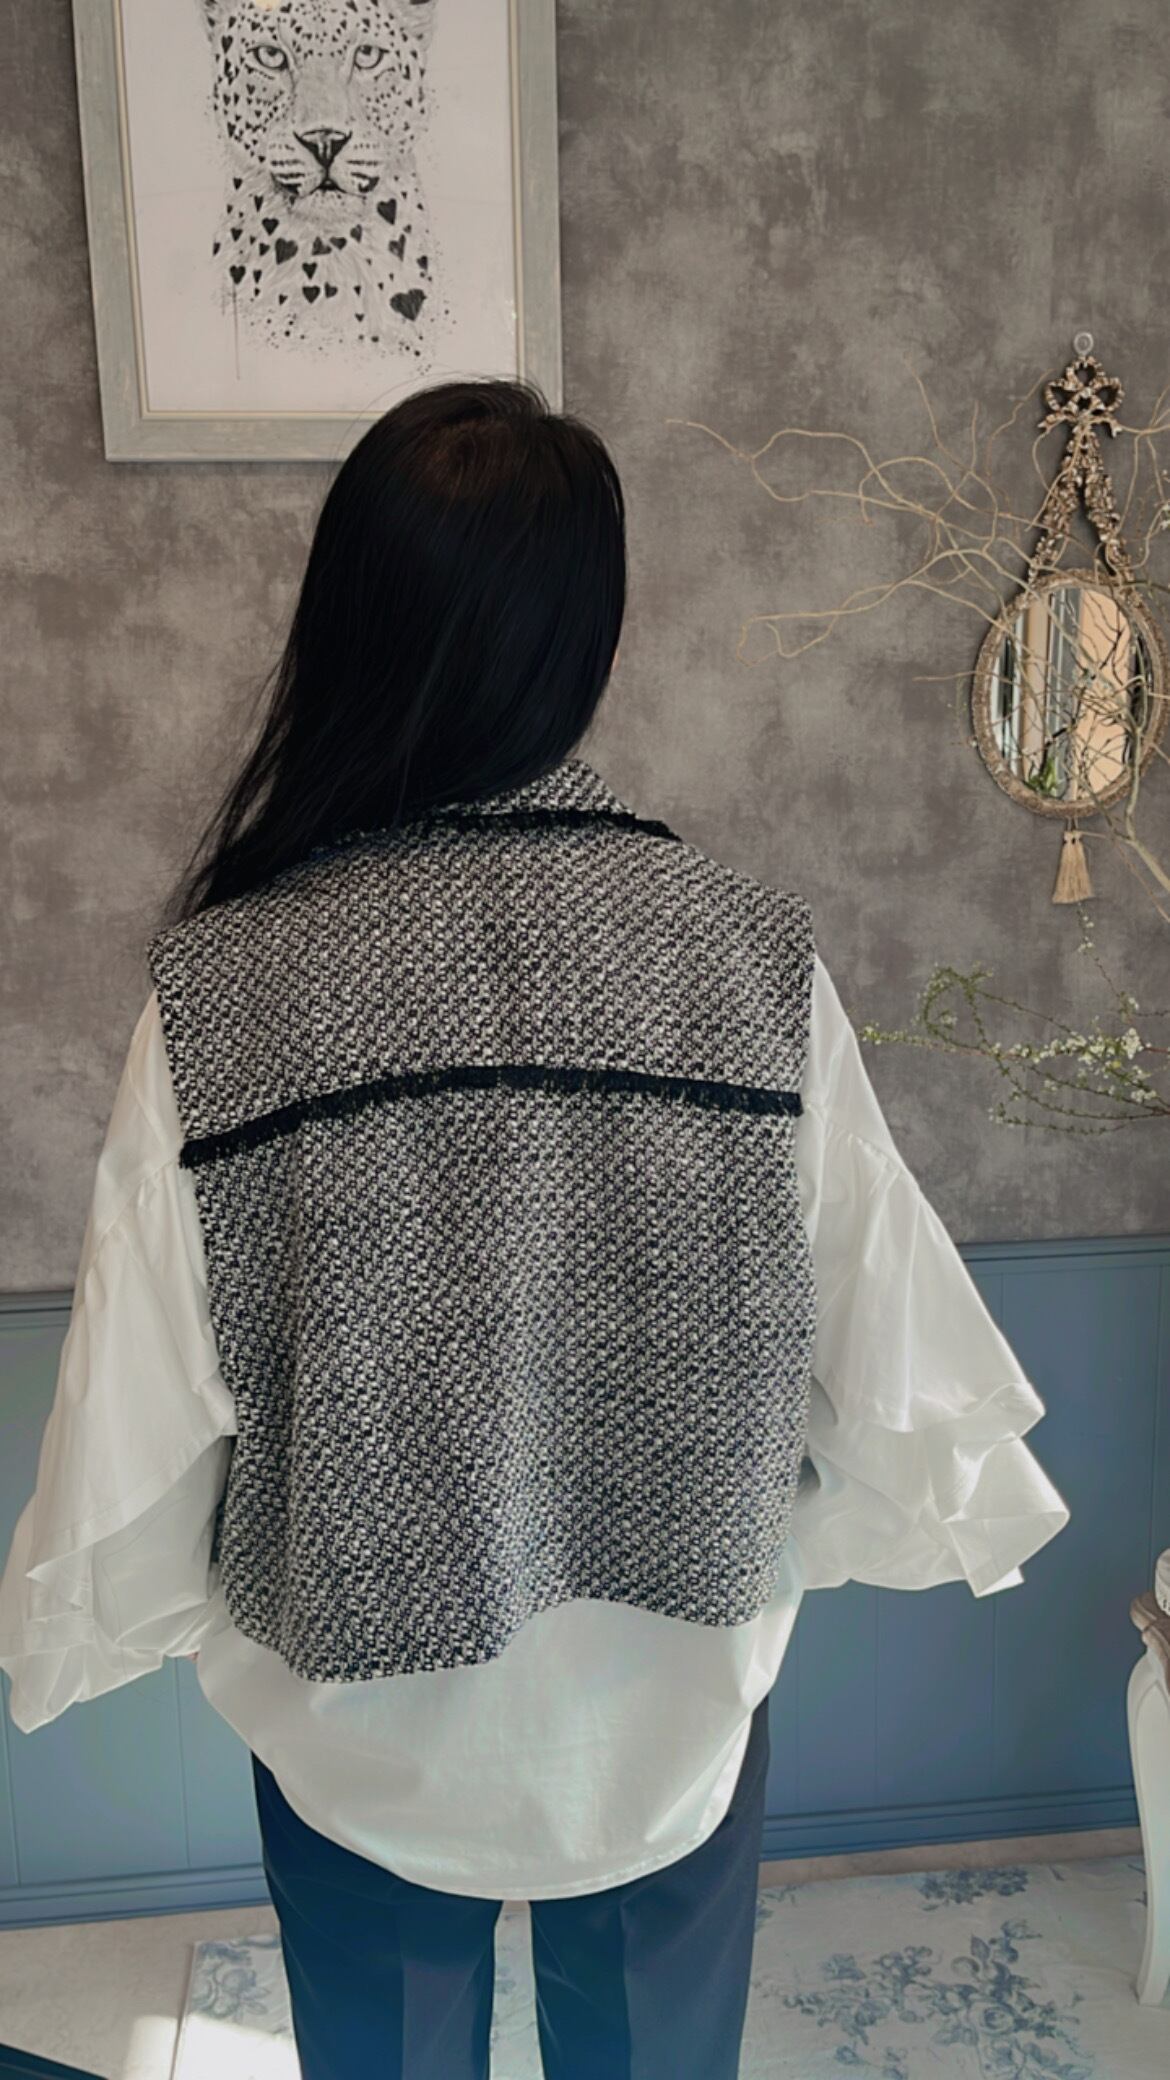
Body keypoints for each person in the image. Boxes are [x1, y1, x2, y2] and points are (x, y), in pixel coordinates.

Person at [0, 377, 1069, 2080]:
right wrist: (829, 1520)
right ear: (590, 634)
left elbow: (147, 1393)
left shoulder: (223, 989)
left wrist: (103, 1619)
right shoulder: (740, 954)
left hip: (355, 1712)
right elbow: (881, 1341)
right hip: (670, 1694)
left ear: (348, 622)